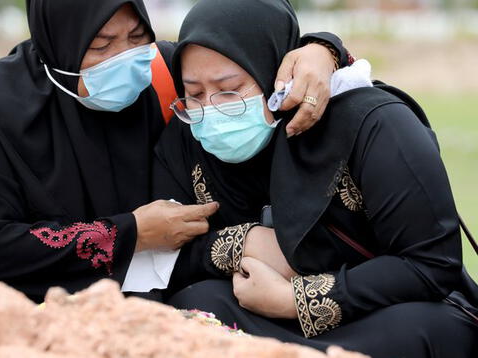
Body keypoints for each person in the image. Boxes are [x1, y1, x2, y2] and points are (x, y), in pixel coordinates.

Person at [0, 0, 351, 303]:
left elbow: (253, 50)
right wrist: (129, 232)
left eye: (136, 37)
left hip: (127, 292)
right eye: (101, 44)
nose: (125, 58)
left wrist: (320, 50)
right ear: (59, 43)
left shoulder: (164, 74)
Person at [151, 0, 478, 356]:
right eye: (194, 93)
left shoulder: (372, 125)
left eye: (229, 89)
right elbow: (165, 258)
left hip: (380, 314)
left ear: (278, 74)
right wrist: (241, 243)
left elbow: (431, 264)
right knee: (195, 303)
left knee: (433, 327)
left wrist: (295, 300)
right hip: (261, 318)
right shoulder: (186, 142)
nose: (210, 109)